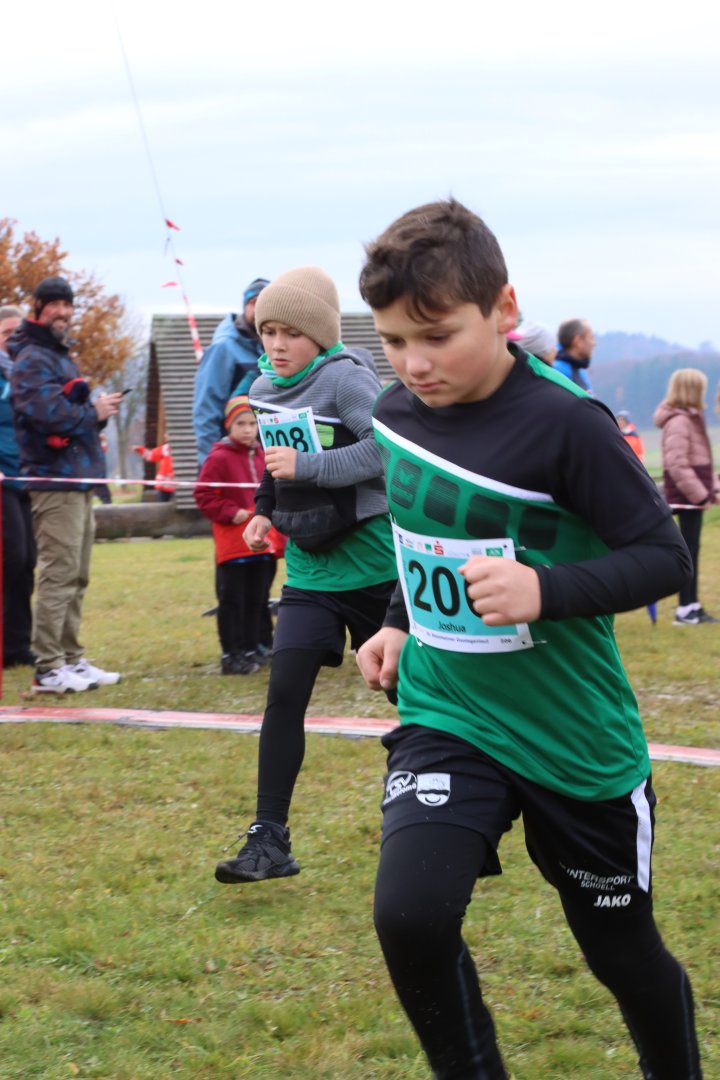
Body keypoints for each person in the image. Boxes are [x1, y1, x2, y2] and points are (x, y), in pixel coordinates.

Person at [355, 199, 701, 1080]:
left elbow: (663, 557)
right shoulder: (395, 415)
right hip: (449, 713)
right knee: (410, 915)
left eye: (437, 335)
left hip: (573, 740)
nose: (415, 363)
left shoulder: (568, 423)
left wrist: (543, 592)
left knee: (622, 955)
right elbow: (421, 532)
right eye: (393, 341)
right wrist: (397, 620)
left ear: (503, 309)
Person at [213, 266, 397, 885]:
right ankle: (269, 840)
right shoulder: (263, 385)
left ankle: (460, 813)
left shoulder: (347, 379)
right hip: (310, 574)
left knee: (412, 697)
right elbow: (275, 463)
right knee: (283, 697)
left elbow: (387, 450)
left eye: (290, 332)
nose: (277, 344)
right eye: (268, 331)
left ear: (319, 333)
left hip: (374, 568)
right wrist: (264, 511)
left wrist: (311, 467)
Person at [8, 276, 123, 693]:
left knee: (77, 574)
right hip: (53, 480)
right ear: (38, 308)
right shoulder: (32, 358)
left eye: (68, 305)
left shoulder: (58, 355)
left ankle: (72, 658)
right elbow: (47, 414)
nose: (63, 312)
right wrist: (93, 412)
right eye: (55, 304)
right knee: (58, 574)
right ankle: (49, 667)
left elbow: (68, 411)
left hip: (77, 479)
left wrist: (97, 411)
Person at [195, 394, 284, 675]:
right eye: (240, 424)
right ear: (228, 426)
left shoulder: (263, 455)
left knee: (259, 597)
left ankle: (256, 646)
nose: (247, 430)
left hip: (263, 543)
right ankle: (232, 654)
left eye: (252, 424)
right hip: (234, 545)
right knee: (233, 600)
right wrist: (232, 512)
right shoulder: (218, 457)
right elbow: (204, 495)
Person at [654, 368, 719, 626]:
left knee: (693, 550)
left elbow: (703, 462)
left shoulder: (692, 418)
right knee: (687, 552)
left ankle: (692, 605)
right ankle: (685, 610)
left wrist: (712, 489)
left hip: (692, 497)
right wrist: (700, 495)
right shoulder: (680, 422)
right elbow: (677, 464)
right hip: (685, 497)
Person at [193, 277, 269, 465]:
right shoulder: (223, 348)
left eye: (266, 302)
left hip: (262, 459)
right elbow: (206, 410)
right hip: (229, 461)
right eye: (253, 302)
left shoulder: (275, 349)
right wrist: (210, 463)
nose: (259, 308)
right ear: (245, 306)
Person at [0, 304, 36, 668]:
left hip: (29, 476)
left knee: (28, 561)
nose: (13, 339)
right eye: (6, 333)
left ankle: (17, 645)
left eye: (17, 332)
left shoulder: (28, 373)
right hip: (2, 479)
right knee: (11, 556)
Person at [554, 317, 595, 391]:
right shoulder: (557, 373)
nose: (594, 343)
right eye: (591, 337)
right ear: (578, 341)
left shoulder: (577, 367)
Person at [133, 434, 176, 501]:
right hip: (163, 486)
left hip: (176, 486)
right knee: (161, 505)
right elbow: (151, 455)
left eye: (168, 434)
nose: (165, 436)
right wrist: (140, 450)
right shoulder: (165, 449)